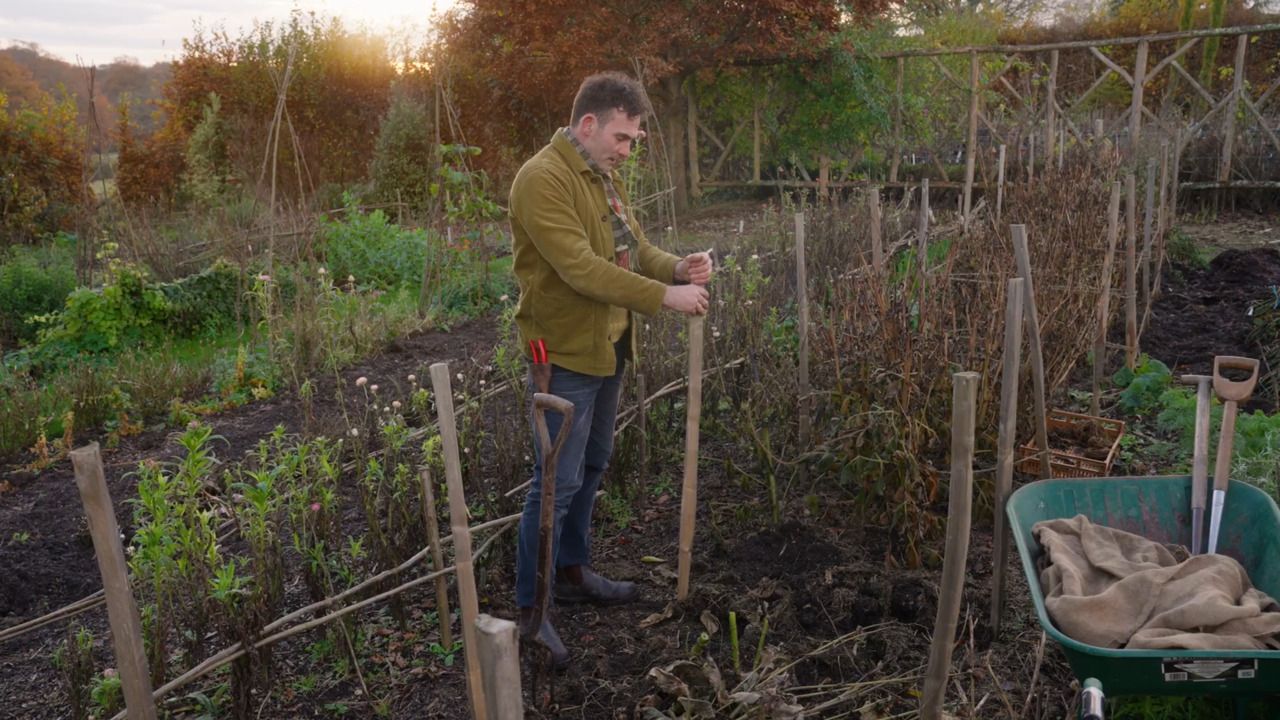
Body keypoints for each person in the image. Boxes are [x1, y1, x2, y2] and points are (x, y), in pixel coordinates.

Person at [509, 71, 713, 668]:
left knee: (593, 462)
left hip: (608, 347)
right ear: (588, 123)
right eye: (622, 138)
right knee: (555, 482)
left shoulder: (600, 176)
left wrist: (676, 268)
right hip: (565, 353)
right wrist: (663, 297)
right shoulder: (542, 179)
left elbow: (633, 250)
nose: (627, 151)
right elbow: (580, 267)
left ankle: (572, 571)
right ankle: (531, 611)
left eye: (634, 141)